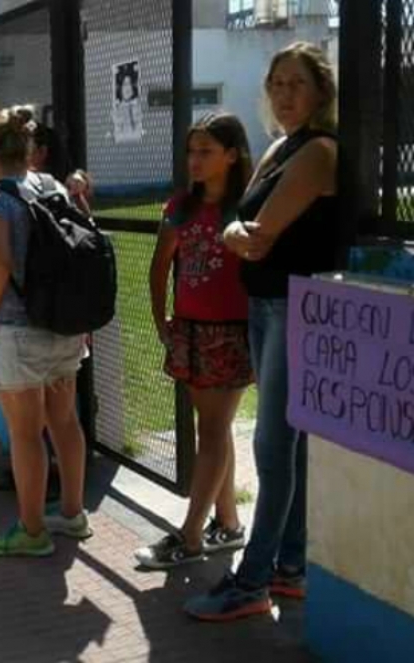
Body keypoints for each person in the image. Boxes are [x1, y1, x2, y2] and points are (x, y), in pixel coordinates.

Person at [185, 42, 339, 621]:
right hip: (268, 306)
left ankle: (252, 584)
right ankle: (291, 568)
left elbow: (258, 231)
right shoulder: (279, 147)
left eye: (296, 84)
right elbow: (238, 227)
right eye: (276, 84)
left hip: (293, 306)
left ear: (321, 92)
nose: (284, 94)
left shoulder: (319, 150)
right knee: (288, 448)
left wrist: (240, 232)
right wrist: (238, 232)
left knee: (272, 447)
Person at [134, 112, 254, 569]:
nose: (195, 160)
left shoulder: (249, 207)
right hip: (190, 331)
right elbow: (160, 264)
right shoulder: (179, 207)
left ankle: (189, 537)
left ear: (231, 154)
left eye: (206, 151)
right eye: (191, 151)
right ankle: (227, 523)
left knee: (214, 431)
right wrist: (161, 320)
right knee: (213, 431)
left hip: (234, 334)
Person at [0, 106, 92, 557]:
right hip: (62, 326)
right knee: (65, 421)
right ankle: (74, 513)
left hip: (15, 331)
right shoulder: (52, 186)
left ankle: (31, 530)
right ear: (29, 150)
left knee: (25, 434)